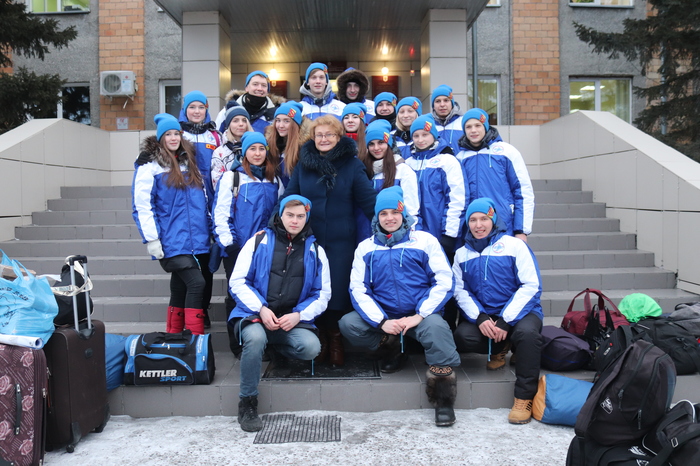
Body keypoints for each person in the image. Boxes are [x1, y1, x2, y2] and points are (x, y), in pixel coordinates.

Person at [340, 186, 459, 427]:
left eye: (395, 212)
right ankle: (393, 348)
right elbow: (358, 289)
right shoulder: (366, 248)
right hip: (387, 317)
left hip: (420, 314)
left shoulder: (424, 241)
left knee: (437, 329)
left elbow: (445, 280)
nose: (390, 218)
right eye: (383, 213)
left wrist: (420, 314)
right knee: (349, 324)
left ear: (404, 214)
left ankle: (443, 397)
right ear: (376, 217)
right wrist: (382, 321)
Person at [228, 195, 330, 432]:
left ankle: (273, 347)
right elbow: (238, 281)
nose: (295, 221)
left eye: (300, 216)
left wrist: (298, 315)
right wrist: (260, 308)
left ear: (307, 218)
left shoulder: (315, 249)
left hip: (290, 320)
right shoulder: (259, 241)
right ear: (281, 215)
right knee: (254, 338)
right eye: (290, 215)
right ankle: (248, 402)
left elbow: (322, 293)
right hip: (255, 315)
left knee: (311, 347)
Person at [282, 115, 377, 367]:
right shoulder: (304, 164)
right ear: (313, 138)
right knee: (311, 288)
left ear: (339, 137)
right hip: (309, 240)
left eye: (330, 135)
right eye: (319, 135)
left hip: (341, 241)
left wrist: (387, 226)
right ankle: (319, 336)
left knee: (335, 290)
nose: (324, 139)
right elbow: (291, 196)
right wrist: (277, 224)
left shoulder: (352, 165)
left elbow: (369, 201)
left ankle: (335, 339)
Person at [452, 198, 543, 425]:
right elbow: (460, 291)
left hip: (521, 311)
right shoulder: (461, 254)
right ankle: (501, 346)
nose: (478, 224)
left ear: (493, 219)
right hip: (487, 314)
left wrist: (506, 320)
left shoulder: (514, 245)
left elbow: (531, 286)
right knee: (463, 336)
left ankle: (523, 398)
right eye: (472, 220)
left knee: (527, 335)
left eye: (484, 218)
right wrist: (480, 317)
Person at [132, 113, 210, 335]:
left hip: (195, 239)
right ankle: (195, 339)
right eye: (168, 134)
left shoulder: (189, 161)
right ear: (160, 138)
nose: (174, 138)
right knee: (197, 283)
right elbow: (142, 205)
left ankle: (174, 338)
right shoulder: (150, 166)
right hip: (170, 240)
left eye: (177, 133)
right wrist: (152, 239)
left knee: (179, 287)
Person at [212, 131, 284, 334]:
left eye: (262, 148)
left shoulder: (274, 181)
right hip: (238, 247)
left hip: (266, 249)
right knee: (237, 293)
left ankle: (264, 338)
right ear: (244, 153)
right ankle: (237, 341)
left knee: (264, 292)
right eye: (252, 149)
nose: (258, 153)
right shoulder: (231, 178)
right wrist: (229, 244)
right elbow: (221, 214)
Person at [456, 108, 535, 241]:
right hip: (473, 230)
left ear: (486, 126)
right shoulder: (460, 158)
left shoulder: (506, 152)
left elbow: (522, 191)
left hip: (504, 227)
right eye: (468, 127)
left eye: (477, 125)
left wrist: (521, 230)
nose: (473, 130)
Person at [405, 114, 466, 261]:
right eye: (416, 135)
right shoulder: (407, 164)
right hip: (415, 234)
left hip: (441, 233)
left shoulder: (447, 161)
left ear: (434, 135)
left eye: (425, 135)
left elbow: (457, 199)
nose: (420, 140)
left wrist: (450, 234)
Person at [365, 120, 419, 221]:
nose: (376, 148)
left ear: (389, 144)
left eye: (381, 142)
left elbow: (411, 209)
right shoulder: (363, 169)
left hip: (393, 229)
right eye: (371, 144)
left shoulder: (403, 170)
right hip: (365, 229)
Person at [214, 71, 285, 134]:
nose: (259, 88)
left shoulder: (276, 114)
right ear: (247, 88)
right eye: (255, 84)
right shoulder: (228, 111)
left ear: (267, 90)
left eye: (264, 85)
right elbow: (216, 137)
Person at [211, 106, 254, 188]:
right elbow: (217, 183)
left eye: (244, 120)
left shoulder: (257, 147)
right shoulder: (220, 152)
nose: (241, 124)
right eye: (235, 121)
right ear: (229, 124)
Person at [266, 101, 304, 186]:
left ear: (295, 124)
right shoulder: (269, 144)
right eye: (278, 120)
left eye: (286, 121)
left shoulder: (303, 148)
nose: (281, 125)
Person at [431, 85, 463, 154]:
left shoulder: (463, 123)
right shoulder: (429, 125)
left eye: (446, 100)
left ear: (452, 104)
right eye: (438, 101)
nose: (442, 104)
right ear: (433, 106)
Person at [341, 103, 370, 175]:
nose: (350, 120)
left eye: (355, 117)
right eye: (346, 117)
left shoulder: (369, 141)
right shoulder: (336, 141)